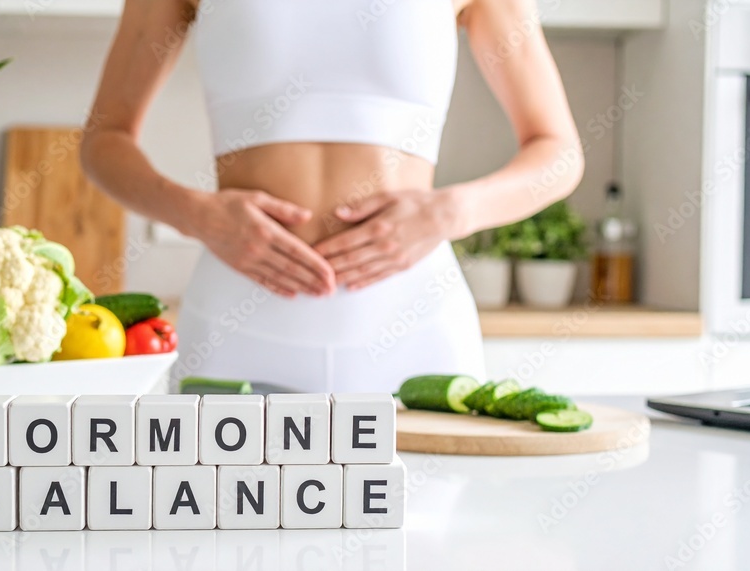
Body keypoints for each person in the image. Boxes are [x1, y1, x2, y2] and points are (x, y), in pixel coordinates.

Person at [81, 0, 583, 393]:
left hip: (415, 333)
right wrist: (196, 215)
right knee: (223, 521)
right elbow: (105, 141)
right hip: (239, 329)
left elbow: (558, 151)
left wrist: (454, 211)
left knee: (427, 525)